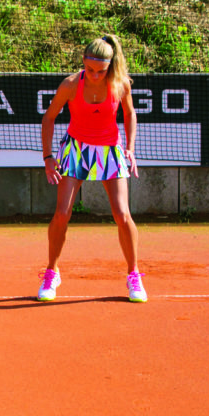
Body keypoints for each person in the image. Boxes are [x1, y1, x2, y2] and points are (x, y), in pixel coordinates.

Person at [38, 34, 147, 303]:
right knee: (62, 213)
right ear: (83, 63)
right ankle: (52, 272)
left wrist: (130, 149)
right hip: (77, 150)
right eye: (90, 70)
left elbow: (130, 113)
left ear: (110, 66)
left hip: (110, 150)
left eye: (101, 71)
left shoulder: (120, 83)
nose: (96, 76)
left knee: (122, 214)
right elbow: (49, 118)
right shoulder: (70, 85)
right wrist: (48, 157)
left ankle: (134, 276)